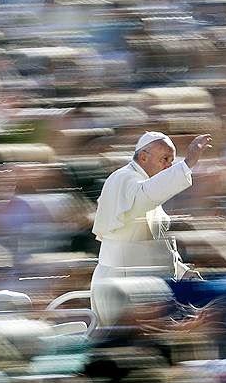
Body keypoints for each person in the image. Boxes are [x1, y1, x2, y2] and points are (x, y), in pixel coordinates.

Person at [90, 131, 213, 326]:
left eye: (172, 160)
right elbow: (146, 195)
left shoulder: (147, 187)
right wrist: (187, 163)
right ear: (143, 157)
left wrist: (182, 271)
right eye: (165, 159)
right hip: (120, 284)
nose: (169, 165)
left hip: (145, 284)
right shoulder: (123, 178)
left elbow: (154, 245)